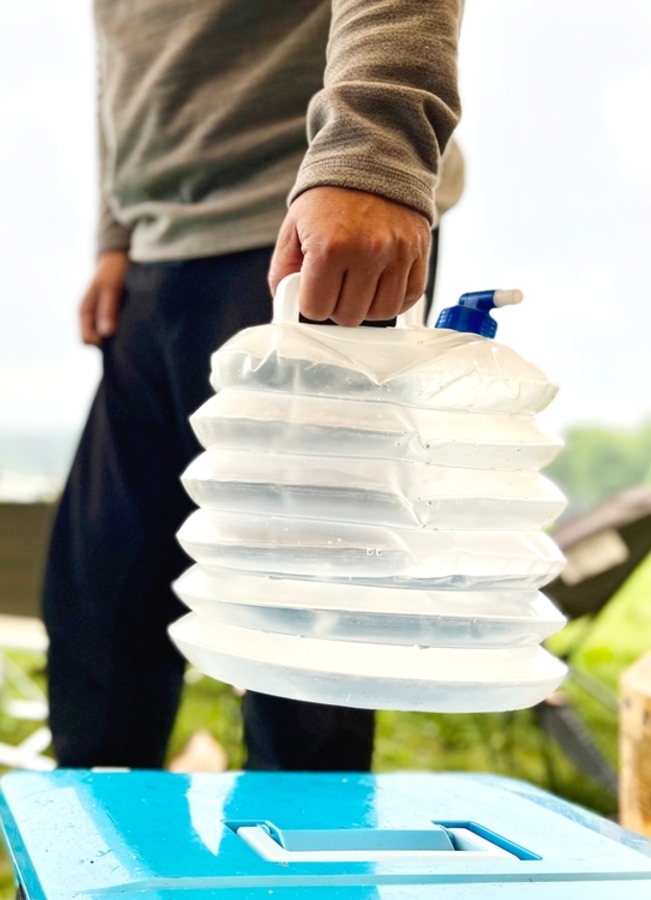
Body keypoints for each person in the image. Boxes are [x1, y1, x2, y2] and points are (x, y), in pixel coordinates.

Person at [43, 0, 466, 770]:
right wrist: (115, 233)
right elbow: (122, 46)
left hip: (308, 231)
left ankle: (300, 885)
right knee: (98, 612)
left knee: (302, 649)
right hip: (154, 253)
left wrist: (375, 148)